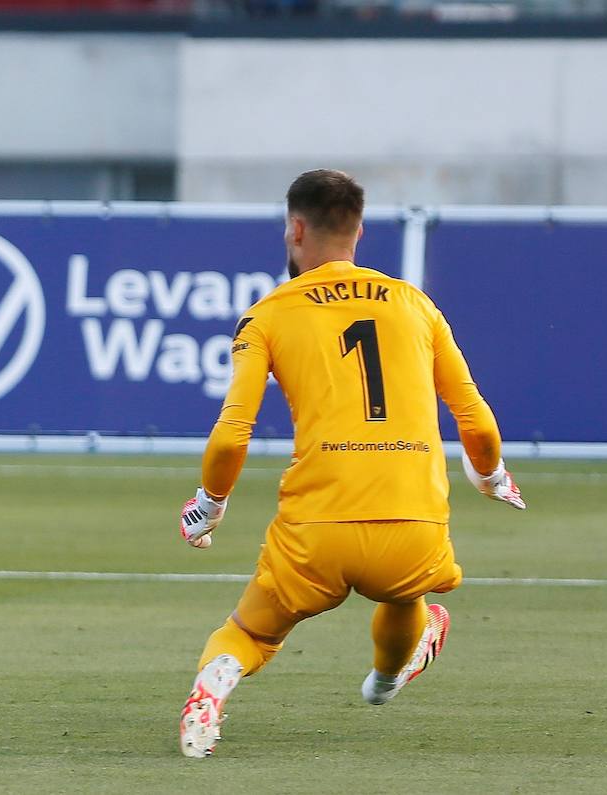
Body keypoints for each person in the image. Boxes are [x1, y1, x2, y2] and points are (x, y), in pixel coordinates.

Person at [175, 169, 526, 758]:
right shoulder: (416, 306)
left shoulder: (268, 315)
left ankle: (212, 691)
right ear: (358, 231)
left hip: (318, 527)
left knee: (250, 631)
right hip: (412, 524)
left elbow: (233, 435)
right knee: (404, 596)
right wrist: (490, 475)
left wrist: (208, 505)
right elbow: (477, 420)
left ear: (294, 229)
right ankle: (387, 680)